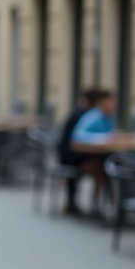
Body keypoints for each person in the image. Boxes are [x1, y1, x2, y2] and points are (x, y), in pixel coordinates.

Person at [70, 88, 131, 216]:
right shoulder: (93, 116)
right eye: (110, 103)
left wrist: (116, 136)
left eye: (113, 103)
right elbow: (78, 135)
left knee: (118, 169)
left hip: (104, 156)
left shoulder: (110, 118)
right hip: (82, 158)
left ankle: (115, 206)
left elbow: (112, 134)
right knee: (102, 170)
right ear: (101, 103)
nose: (113, 106)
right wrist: (104, 137)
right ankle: (99, 207)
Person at [56, 87, 102, 215]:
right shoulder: (85, 115)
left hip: (66, 156)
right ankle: (95, 207)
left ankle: (75, 203)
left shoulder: (78, 113)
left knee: (100, 167)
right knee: (100, 169)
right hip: (72, 157)